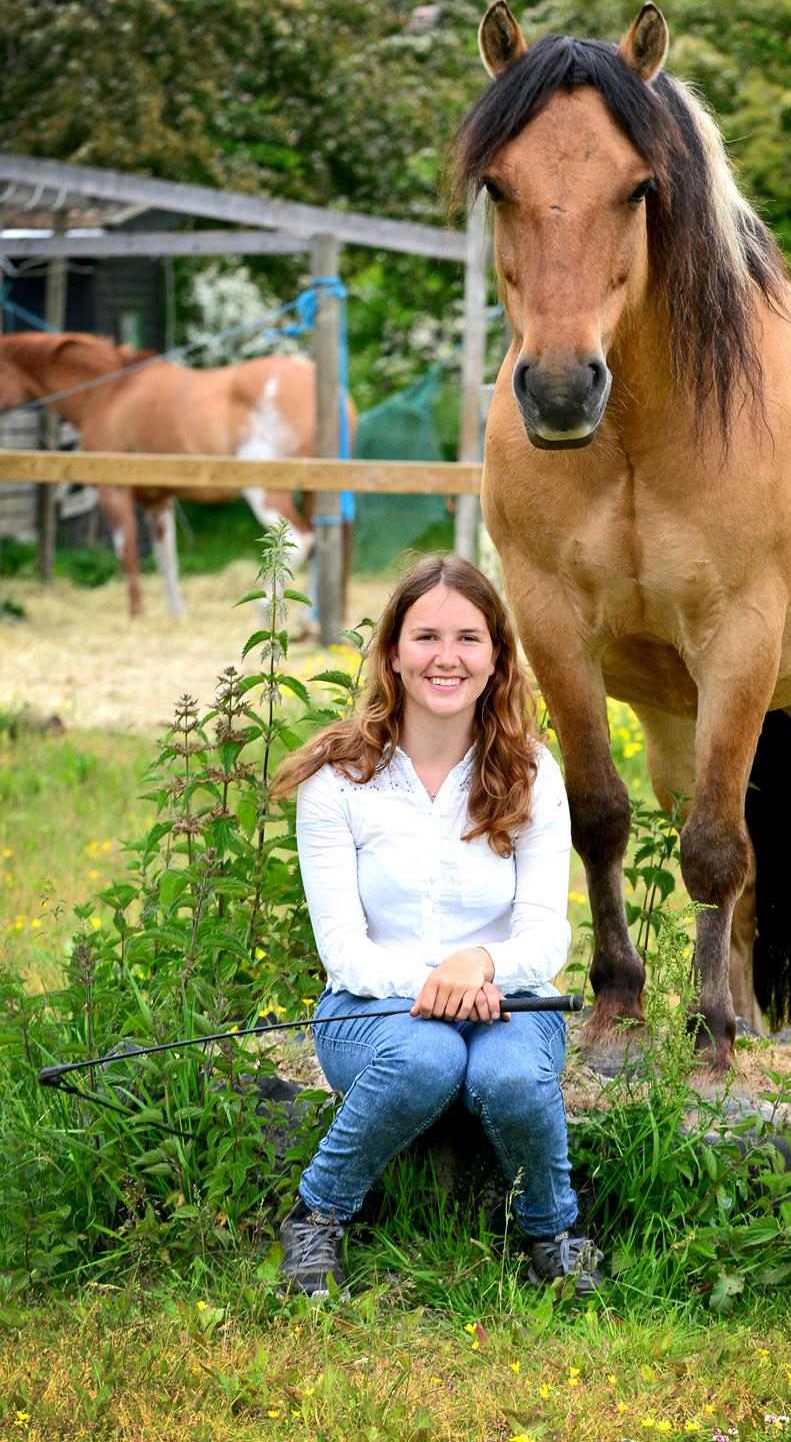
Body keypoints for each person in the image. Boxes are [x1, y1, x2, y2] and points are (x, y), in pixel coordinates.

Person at [270, 554, 602, 1298]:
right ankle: (315, 1219)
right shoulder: (338, 780)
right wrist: (431, 983)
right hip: (369, 1009)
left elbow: (548, 937)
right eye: (425, 637)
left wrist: (480, 964)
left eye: (467, 638)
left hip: (510, 1001)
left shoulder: (530, 773)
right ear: (392, 653)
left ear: (495, 659)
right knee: (424, 1058)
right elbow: (345, 954)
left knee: (511, 1074)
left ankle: (555, 1234)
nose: (445, 658)